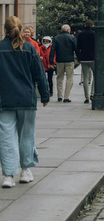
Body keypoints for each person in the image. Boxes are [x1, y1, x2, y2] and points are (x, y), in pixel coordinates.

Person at [0, 16, 50, 188]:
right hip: (26, 98)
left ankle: (8, 175)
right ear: (20, 30)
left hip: (4, 99)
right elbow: (39, 74)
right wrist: (45, 95)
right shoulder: (29, 48)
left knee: (7, 137)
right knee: (26, 135)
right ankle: (25, 170)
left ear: (5, 30)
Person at [51, 24, 77, 103]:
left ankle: (59, 96)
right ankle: (66, 97)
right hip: (69, 60)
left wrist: (51, 61)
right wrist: (79, 59)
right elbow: (76, 48)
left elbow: (52, 50)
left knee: (59, 78)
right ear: (68, 30)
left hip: (59, 60)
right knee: (69, 79)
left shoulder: (56, 38)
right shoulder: (72, 37)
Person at [76, 20, 96, 104]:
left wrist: (78, 58)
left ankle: (86, 97)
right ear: (92, 25)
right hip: (93, 57)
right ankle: (92, 92)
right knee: (95, 75)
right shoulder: (94, 34)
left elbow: (78, 47)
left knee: (85, 77)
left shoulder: (80, 34)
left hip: (83, 57)